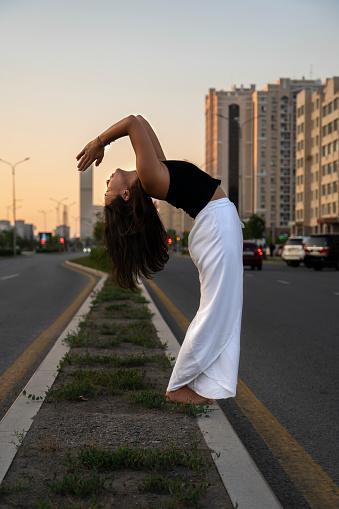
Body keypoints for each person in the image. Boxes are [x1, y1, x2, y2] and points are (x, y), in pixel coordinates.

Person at [77, 114, 243, 405]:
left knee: (222, 310)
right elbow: (131, 124)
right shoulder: (151, 178)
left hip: (218, 225)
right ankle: (178, 386)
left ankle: (200, 384)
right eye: (107, 190)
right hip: (217, 227)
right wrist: (100, 141)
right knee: (218, 311)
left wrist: (105, 141)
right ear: (125, 195)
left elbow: (139, 120)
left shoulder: (151, 173)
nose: (107, 181)